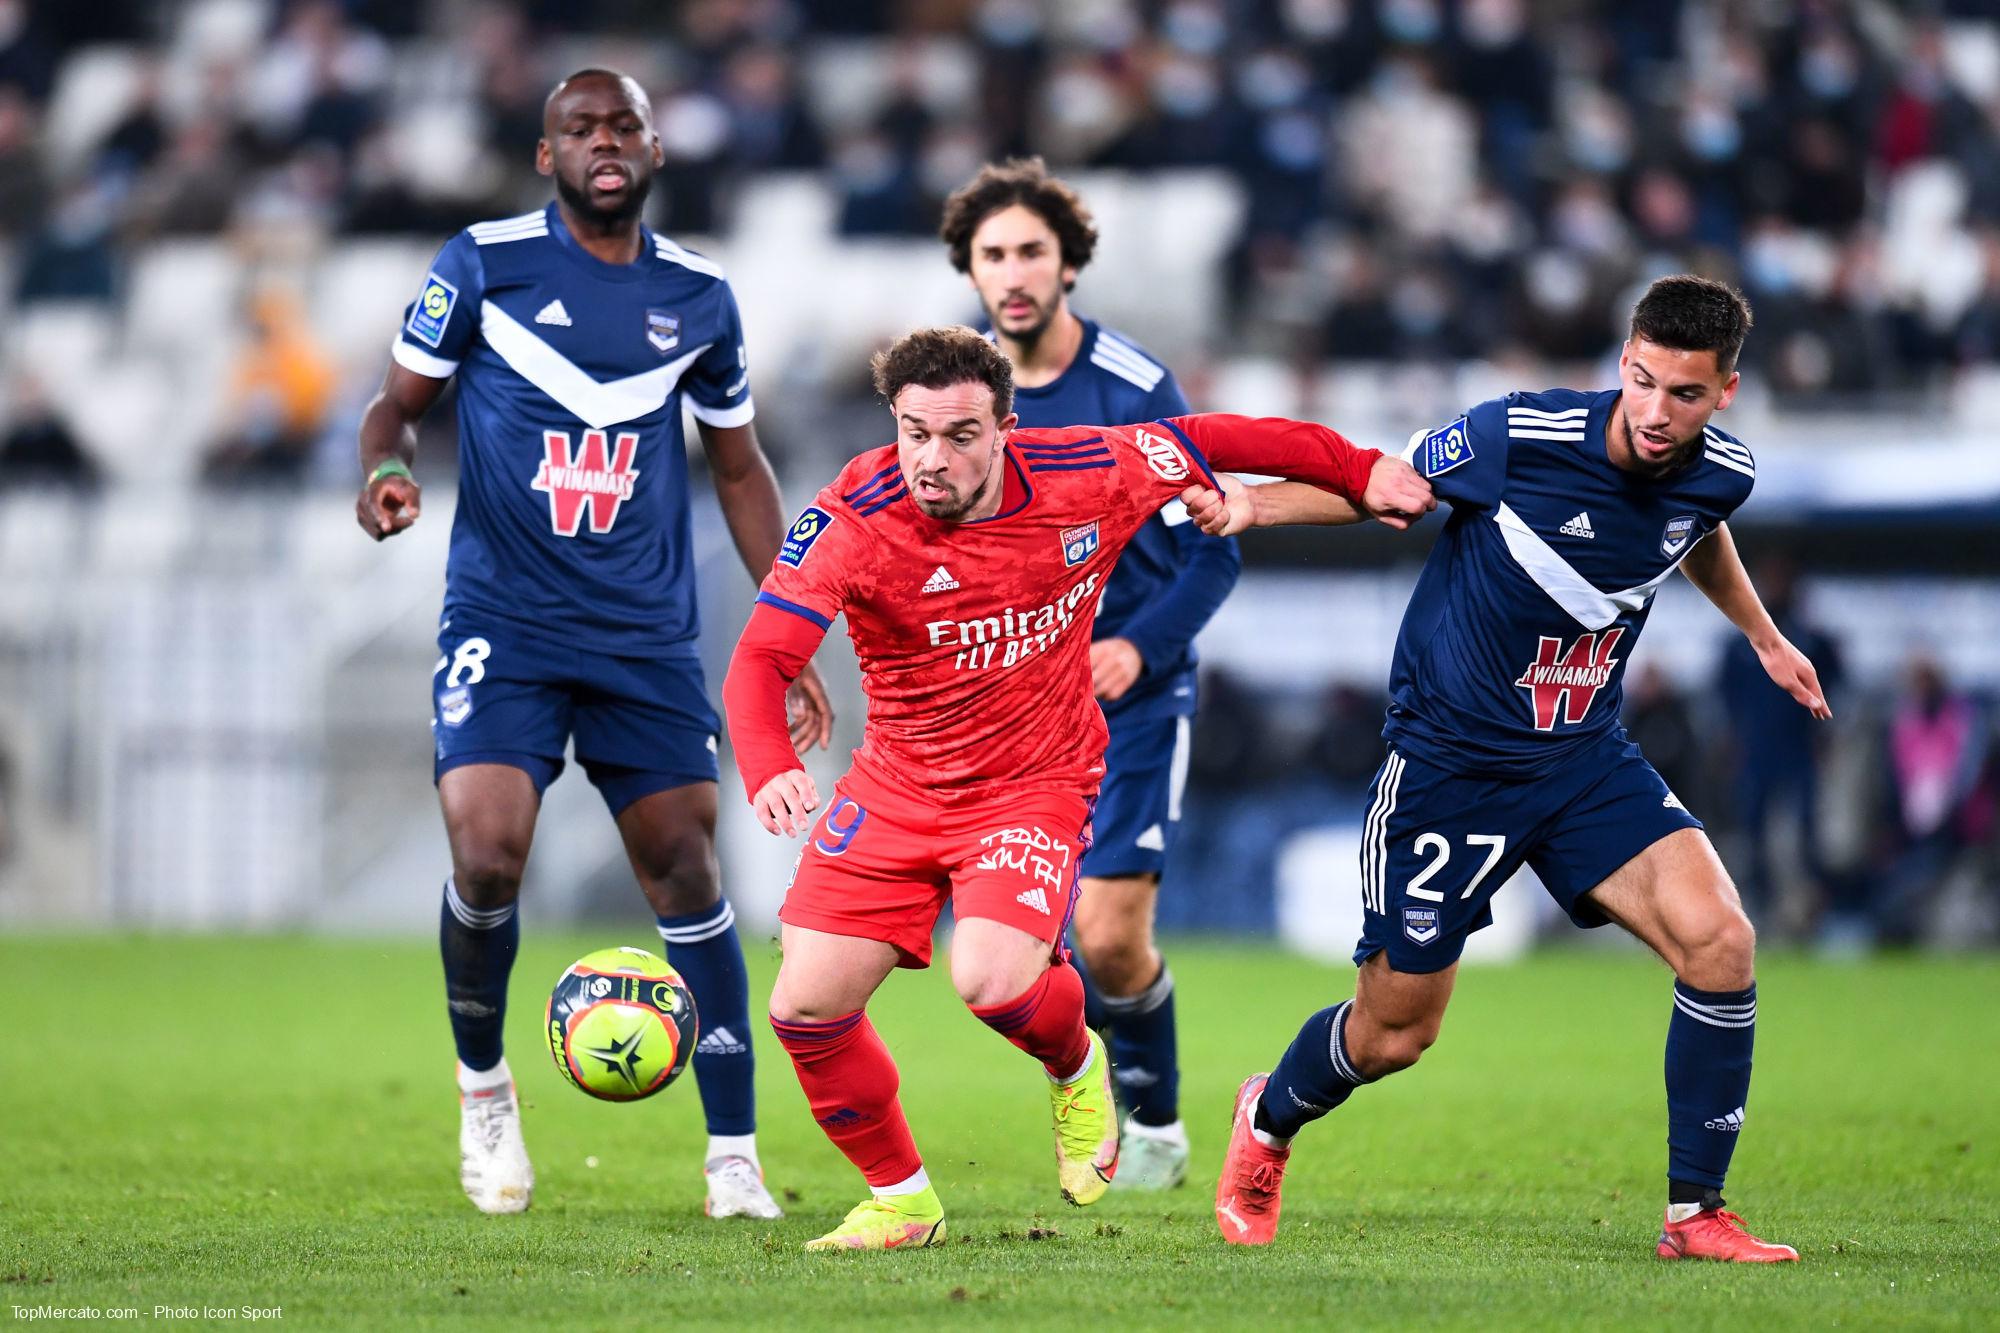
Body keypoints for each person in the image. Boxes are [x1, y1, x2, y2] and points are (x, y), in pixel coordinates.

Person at [721, 325, 1432, 1251]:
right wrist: (770, 759)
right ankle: (902, 1199)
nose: (932, 459)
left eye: (962, 435)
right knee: (804, 1008)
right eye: (914, 432)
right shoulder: (854, 512)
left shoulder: (1091, 466)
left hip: (1034, 778)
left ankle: (1075, 1058)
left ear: (1007, 428)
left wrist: (1362, 464)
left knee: (990, 981)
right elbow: (760, 657)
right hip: (896, 783)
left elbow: (1229, 437)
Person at [1188, 275, 1829, 1262]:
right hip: (1448, 765)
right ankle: (1266, 1118)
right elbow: (1384, 485)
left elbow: (1694, 530)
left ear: (1724, 393)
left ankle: (1692, 1214)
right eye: (1642, 382)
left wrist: (1761, 637)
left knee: (1720, 942)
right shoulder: (1514, 438)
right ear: (1622, 362)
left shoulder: (1721, 471)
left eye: (1684, 394)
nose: (1657, 413)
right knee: (1395, 1032)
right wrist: (1249, 509)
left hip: (1580, 758)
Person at [353, 69, 833, 1222]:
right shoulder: (482, 263)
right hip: (503, 621)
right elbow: (393, 406)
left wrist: (787, 624)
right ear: (545, 154)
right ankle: (484, 1089)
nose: (603, 143)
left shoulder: (701, 297)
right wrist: (382, 473)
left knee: (686, 867)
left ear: (656, 149)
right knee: (485, 856)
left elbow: (738, 466)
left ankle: (732, 1157)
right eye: (581, 128)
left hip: (643, 638)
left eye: (623, 126)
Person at [938, 157, 1241, 1189]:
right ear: (970, 272)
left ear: (1068, 264)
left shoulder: (1132, 387)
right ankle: (1084, 1096)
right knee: (1016, 949)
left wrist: (1135, 645)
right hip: (1013, 711)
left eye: (1030, 251)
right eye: (992, 255)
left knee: (1107, 935)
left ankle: (1149, 1112)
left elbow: (1215, 547)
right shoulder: (955, 393)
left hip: (1133, 698)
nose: (1012, 272)